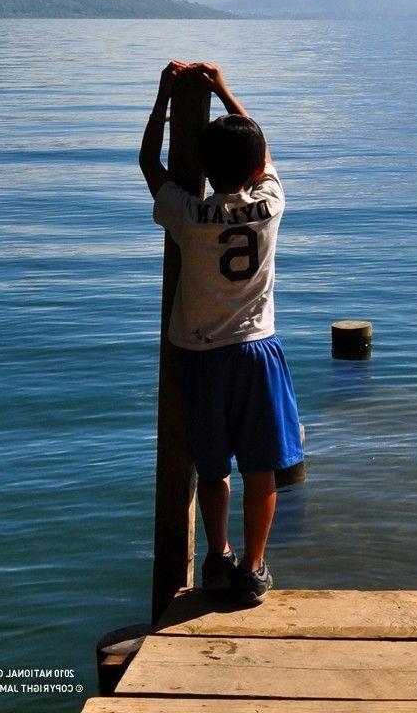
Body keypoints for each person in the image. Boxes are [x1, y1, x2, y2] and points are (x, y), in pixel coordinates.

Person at [138, 59, 302, 605]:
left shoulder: (187, 213)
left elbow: (147, 162)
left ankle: (217, 557)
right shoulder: (269, 206)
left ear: (206, 171)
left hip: (201, 356)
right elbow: (264, 151)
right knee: (262, 469)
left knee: (214, 469)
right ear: (256, 169)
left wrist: (164, 99)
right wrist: (226, 90)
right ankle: (254, 568)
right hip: (257, 353)